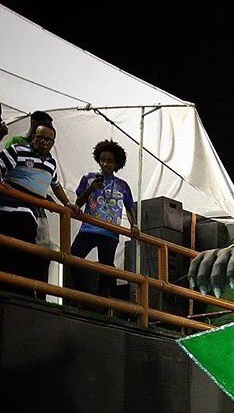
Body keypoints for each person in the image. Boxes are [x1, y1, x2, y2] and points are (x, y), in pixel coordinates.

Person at [0, 123, 78, 293]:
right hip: (10, 207)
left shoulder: (51, 163)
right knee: (13, 248)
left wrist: (67, 204)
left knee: (32, 250)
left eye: (48, 140)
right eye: (40, 138)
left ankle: (23, 290)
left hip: (32, 213)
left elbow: (56, 185)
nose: (44, 142)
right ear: (33, 137)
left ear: (53, 143)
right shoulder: (17, 150)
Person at [71, 140, 135, 297]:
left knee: (106, 266)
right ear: (98, 160)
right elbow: (78, 203)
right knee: (72, 257)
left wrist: (134, 225)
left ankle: (102, 301)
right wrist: (91, 189)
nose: (105, 164)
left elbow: (130, 208)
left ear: (117, 164)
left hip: (110, 233)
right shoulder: (88, 178)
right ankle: (86, 294)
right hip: (88, 228)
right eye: (102, 160)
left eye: (110, 161)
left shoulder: (123, 185)